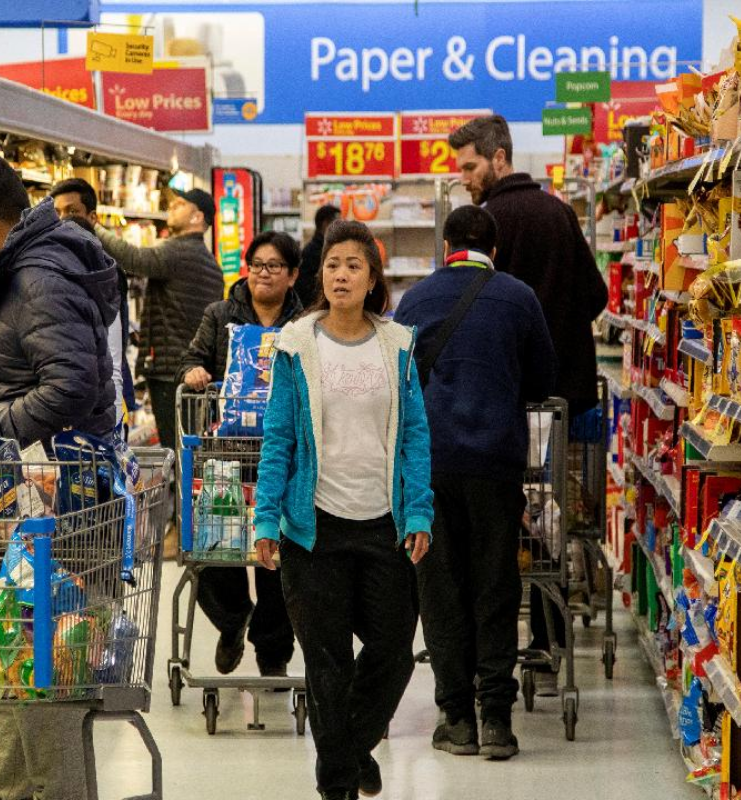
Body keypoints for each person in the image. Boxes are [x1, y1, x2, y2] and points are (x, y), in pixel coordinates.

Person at [0, 151, 119, 800]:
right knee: (23, 680)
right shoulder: (34, 265)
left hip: (61, 512)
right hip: (38, 509)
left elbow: (70, 386)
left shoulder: (38, 275)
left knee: (48, 691)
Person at [253, 220, 432, 800]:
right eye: (333, 264)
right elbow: (278, 437)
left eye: (354, 265)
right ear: (320, 275)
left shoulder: (397, 345)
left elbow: (415, 437)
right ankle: (338, 784)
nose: (341, 275)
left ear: (372, 279)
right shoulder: (297, 344)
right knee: (327, 663)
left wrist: (419, 511)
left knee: (394, 652)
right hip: (315, 528)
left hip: (384, 524)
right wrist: (265, 517)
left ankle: (353, 748)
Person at [450, 113, 609, 696]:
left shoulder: (487, 226)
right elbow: (598, 294)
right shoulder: (560, 212)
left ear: (499, 158)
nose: (465, 178)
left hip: (509, 406)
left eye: (470, 166)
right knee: (554, 521)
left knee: (508, 526)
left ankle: (498, 650)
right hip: (566, 399)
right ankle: (548, 645)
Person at [394, 205, 556, 761]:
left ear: (445, 247)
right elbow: (542, 379)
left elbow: (401, 378)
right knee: (495, 587)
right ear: (495, 249)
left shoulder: (415, 300)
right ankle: (498, 722)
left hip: (431, 466)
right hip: (496, 463)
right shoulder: (519, 298)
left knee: (439, 590)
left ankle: (456, 719)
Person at [177, 230, 302, 678]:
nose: (263, 273)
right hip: (225, 454)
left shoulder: (305, 322)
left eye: (274, 266)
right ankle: (232, 621)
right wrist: (194, 371)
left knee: (279, 561)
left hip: (284, 457)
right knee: (214, 549)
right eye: (256, 265)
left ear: (292, 275)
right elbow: (190, 359)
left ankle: (273, 654)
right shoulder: (220, 314)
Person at [94, 187, 223, 452]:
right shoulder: (209, 262)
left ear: (198, 217)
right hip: (193, 370)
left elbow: (134, 259)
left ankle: (181, 481)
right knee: (190, 447)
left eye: (180, 204)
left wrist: (93, 227)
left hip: (170, 372)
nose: (171, 207)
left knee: (176, 448)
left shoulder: (180, 251)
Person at [50, 177, 134, 432]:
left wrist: (114, 427)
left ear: (93, 217)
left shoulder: (107, 272)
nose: (63, 220)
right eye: (57, 213)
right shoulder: (49, 268)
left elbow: (114, 354)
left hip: (102, 404)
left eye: (72, 211)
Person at [294, 204, 340, 308]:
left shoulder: (327, 248)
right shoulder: (313, 252)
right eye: (337, 223)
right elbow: (305, 289)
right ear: (325, 224)